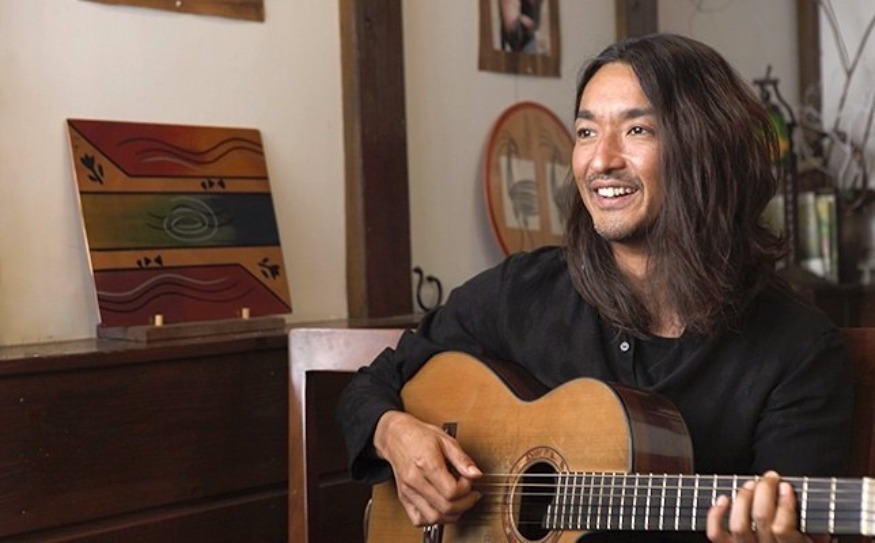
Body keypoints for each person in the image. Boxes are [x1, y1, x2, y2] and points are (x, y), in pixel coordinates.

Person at [337, 33, 854, 543]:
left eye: (637, 130)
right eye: (586, 132)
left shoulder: (797, 349)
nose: (600, 160)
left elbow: (796, 524)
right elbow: (372, 386)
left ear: (708, 149)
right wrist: (394, 434)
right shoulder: (523, 292)